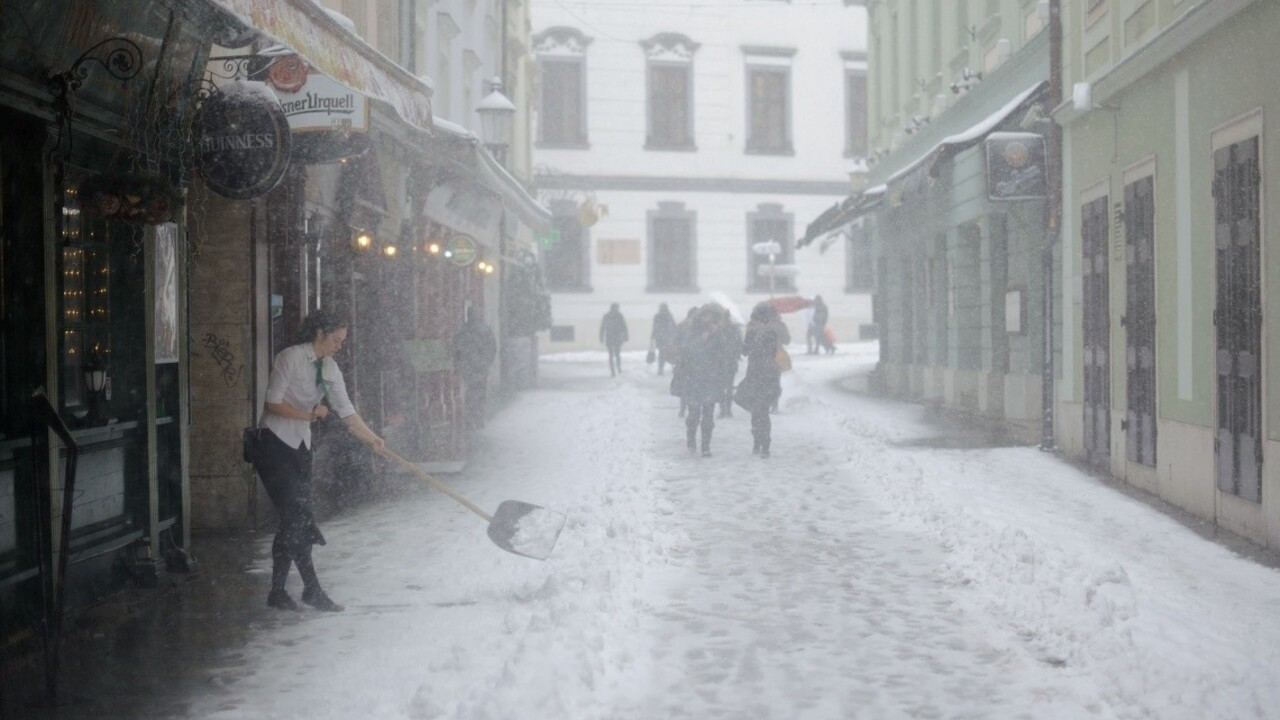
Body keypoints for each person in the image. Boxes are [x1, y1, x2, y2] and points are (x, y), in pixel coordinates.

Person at [253, 310, 385, 612]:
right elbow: (272, 402)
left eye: (343, 341)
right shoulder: (291, 358)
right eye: (336, 340)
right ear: (319, 334)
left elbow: (346, 410)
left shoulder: (330, 369)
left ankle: (277, 592)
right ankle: (312, 589)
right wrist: (310, 415)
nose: (340, 345)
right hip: (273, 444)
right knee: (297, 517)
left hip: (300, 446)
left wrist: (372, 438)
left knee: (292, 518)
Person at [676, 305, 735, 456]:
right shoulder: (692, 333)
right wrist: (701, 341)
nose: (708, 319)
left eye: (711, 317)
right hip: (694, 379)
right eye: (705, 316)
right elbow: (685, 351)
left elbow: (724, 355)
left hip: (711, 380)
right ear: (700, 318)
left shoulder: (718, 334)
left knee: (708, 416)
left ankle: (706, 446)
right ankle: (691, 441)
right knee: (694, 414)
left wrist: (721, 372)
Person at [737, 302, 785, 458]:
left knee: (757, 411)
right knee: (761, 411)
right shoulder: (772, 330)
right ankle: (763, 443)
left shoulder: (760, 332)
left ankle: (760, 442)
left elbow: (745, 351)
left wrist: (747, 339)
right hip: (768, 375)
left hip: (758, 375)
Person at [454, 306, 497, 429]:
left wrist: (461, 363)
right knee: (479, 393)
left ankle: (471, 418)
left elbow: (457, 349)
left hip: (469, 368)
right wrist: (486, 362)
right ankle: (477, 418)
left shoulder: (462, 331)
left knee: (470, 393)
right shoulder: (485, 331)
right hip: (479, 368)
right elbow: (492, 348)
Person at [670, 307, 698, 417]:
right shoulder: (695, 327)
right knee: (689, 384)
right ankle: (689, 407)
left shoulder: (683, 326)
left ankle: (683, 408)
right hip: (690, 361)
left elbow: (675, 342)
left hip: (684, 361)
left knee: (684, 385)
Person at [716, 307, 743, 418]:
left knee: (721, 387)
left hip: (720, 363)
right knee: (729, 386)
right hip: (731, 362)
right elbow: (739, 345)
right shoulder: (734, 329)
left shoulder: (718, 330)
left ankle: (723, 409)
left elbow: (714, 346)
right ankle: (728, 409)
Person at [600, 303, 629, 377]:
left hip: (615, 337)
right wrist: (601, 336)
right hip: (613, 337)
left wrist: (626, 335)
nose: (617, 309)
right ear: (612, 308)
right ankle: (614, 370)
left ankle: (617, 368)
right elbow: (603, 327)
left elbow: (624, 326)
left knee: (616, 354)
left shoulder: (617, 316)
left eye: (617, 308)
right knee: (613, 354)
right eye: (616, 308)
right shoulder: (614, 316)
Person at [650, 303, 677, 376]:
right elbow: (673, 326)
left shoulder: (658, 316)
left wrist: (653, 337)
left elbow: (655, 328)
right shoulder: (669, 316)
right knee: (670, 353)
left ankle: (660, 368)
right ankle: (673, 367)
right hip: (668, 339)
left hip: (661, 339)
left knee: (662, 354)